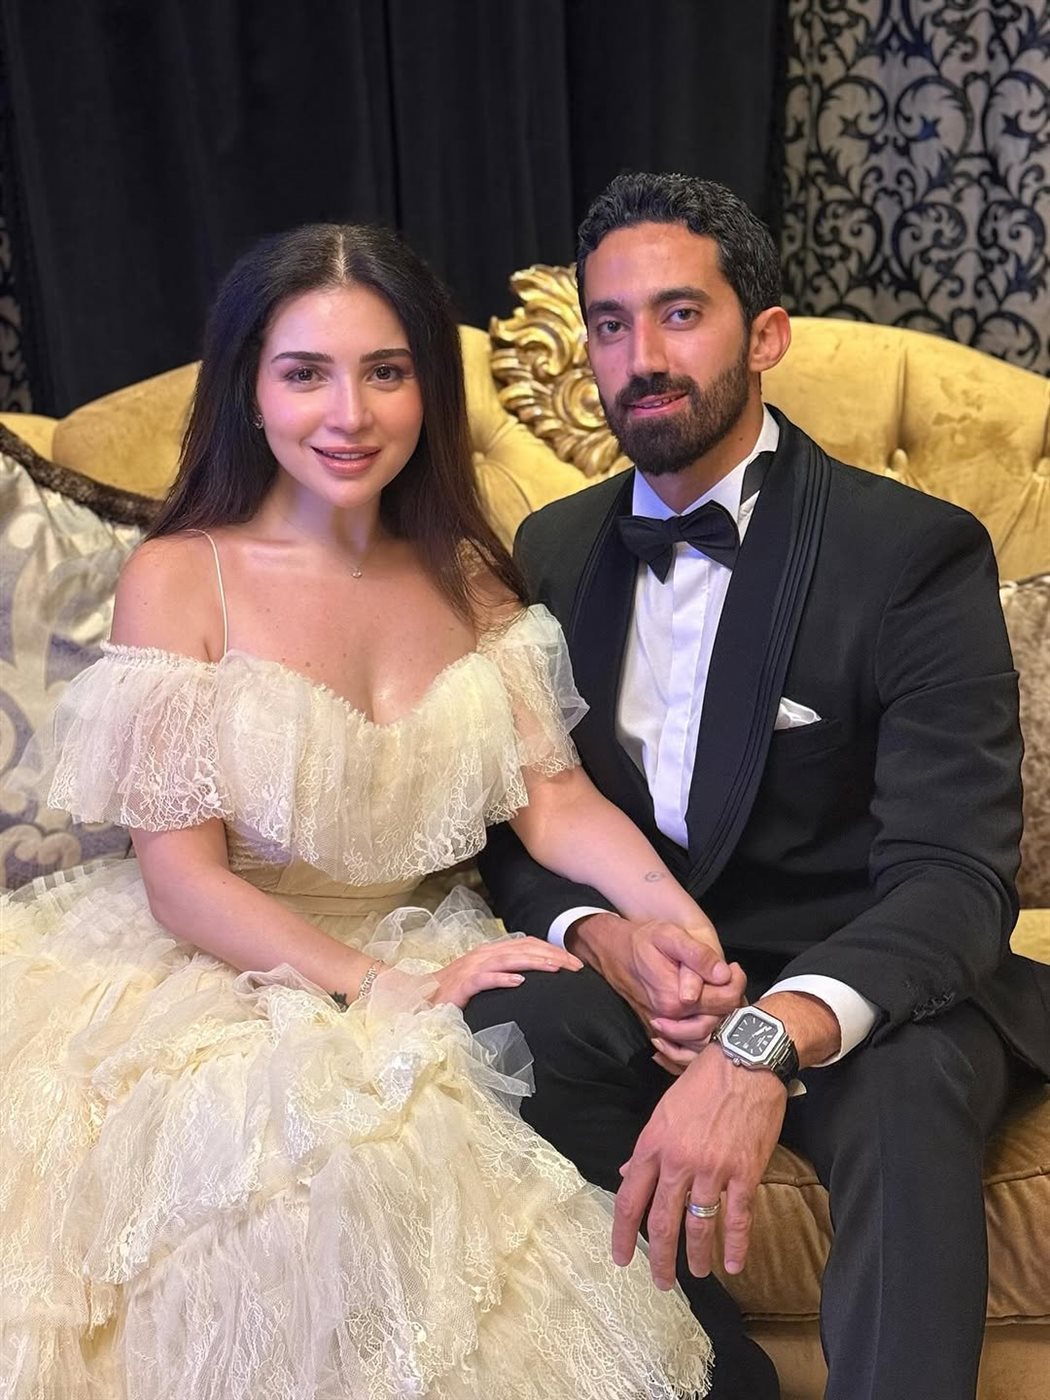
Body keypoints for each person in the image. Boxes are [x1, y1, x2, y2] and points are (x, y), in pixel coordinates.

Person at [0, 222, 728, 1398]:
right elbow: (184, 880)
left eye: (385, 371)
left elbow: (556, 801)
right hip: (229, 964)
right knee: (320, 1184)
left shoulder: (471, 575)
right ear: (249, 390)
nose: (350, 413)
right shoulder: (183, 574)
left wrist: (681, 924)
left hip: (429, 932)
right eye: (307, 373)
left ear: (427, 388)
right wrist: (381, 985)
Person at [474, 172, 1050, 1400]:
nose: (641, 356)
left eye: (680, 313)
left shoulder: (912, 551)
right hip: (651, 986)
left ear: (767, 334)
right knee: (513, 1030)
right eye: (612, 323)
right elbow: (520, 833)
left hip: (866, 986)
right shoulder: (553, 550)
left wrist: (761, 1041)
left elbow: (954, 876)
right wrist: (602, 935)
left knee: (907, 1088)